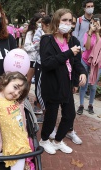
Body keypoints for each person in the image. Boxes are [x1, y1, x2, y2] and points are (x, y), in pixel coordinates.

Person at [39, 8, 87, 155]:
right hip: (52, 84)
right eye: (64, 20)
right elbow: (47, 63)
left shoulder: (73, 40)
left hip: (66, 84)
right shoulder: (47, 39)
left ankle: (58, 141)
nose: (67, 24)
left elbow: (77, 63)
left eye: (70, 21)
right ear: (56, 20)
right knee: (51, 117)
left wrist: (83, 73)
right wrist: (68, 53)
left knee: (69, 115)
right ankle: (44, 140)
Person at [0, 71, 31, 170]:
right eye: (15, 87)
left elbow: (20, 122)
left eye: (20, 92)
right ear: (6, 81)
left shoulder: (14, 101)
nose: (16, 93)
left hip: (22, 143)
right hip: (11, 146)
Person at [77, 14, 101, 115]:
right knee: (83, 84)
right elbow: (87, 47)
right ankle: (81, 105)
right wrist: (91, 32)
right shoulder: (87, 33)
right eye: (93, 22)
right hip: (85, 60)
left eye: (97, 22)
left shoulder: (99, 35)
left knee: (93, 86)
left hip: (97, 63)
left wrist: (98, 33)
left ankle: (90, 105)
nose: (95, 24)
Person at [24, 13, 42, 87]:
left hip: (40, 60)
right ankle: (25, 95)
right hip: (31, 59)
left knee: (38, 80)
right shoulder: (30, 33)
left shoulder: (44, 32)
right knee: (28, 80)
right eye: (39, 22)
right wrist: (36, 45)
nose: (41, 24)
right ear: (35, 22)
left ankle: (37, 96)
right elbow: (27, 47)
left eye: (42, 22)